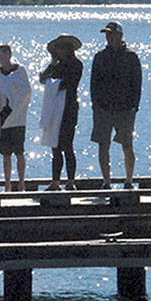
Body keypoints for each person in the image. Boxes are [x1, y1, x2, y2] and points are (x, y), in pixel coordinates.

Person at [89, 21, 141, 188]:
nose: (109, 37)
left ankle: (129, 180)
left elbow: (137, 83)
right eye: (107, 35)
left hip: (125, 109)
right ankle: (106, 181)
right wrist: (96, 106)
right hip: (103, 109)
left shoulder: (131, 57)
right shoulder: (100, 57)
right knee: (103, 145)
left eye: (112, 34)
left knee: (127, 145)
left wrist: (134, 106)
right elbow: (94, 84)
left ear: (120, 35)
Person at [38, 34, 83, 190]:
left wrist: (53, 81)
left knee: (68, 145)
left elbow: (68, 84)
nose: (60, 51)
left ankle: (71, 181)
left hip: (69, 108)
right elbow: (43, 79)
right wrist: (51, 67)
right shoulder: (55, 65)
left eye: (63, 48)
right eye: (58, 48)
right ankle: (55, 181)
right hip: (55, 108)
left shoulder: (77, 64)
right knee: (55, 146)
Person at [0, 43, 32, 191]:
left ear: (8, 54)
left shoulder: (20, 71)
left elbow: (26, 91)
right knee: (5, 153)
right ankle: (7, 184)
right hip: (3, 115)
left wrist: (12, 97)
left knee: (19, 152)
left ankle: (21, 183)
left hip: (17, 116)